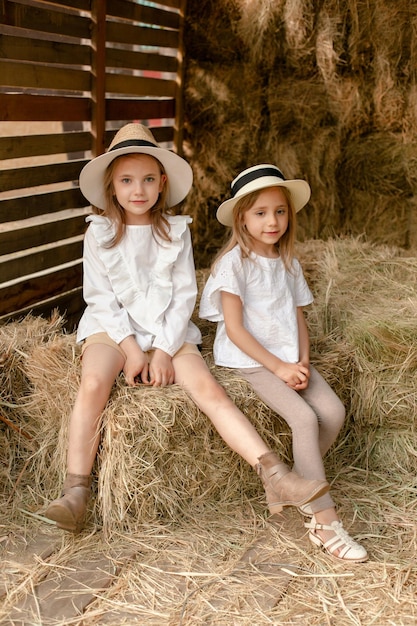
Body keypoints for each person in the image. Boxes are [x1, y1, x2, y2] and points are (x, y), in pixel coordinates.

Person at [44, 126, 329, 534]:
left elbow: (183, 297)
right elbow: (101, 297)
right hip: (112, 328)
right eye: (126, 180)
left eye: (147, 180)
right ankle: (76, 491)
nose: (137, 190)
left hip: (168, 329)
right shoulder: (99, 232)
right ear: (112, 185)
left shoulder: (176, 231)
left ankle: (275, 474)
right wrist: (131, 348)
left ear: (162, 184)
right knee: (92, 383)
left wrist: (162, 350)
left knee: (210, 390)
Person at [199, 164, 368, 563]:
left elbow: (297, 317)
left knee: (333, 411)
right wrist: (278, 368)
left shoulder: (288, 262)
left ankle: (288, 486)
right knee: (304, 419)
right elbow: (237, 330)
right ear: (242, 217)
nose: (271, 221)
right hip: (252, 360)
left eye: (279, 211)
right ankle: (324, 522)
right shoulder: (233, 265)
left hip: (290, 358)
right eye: (260, 213)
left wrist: (303, 360)